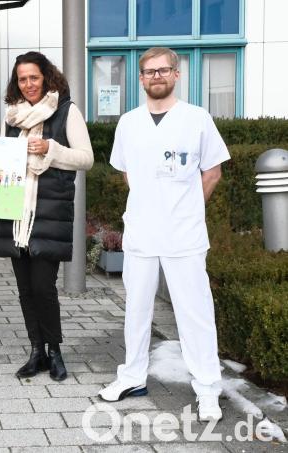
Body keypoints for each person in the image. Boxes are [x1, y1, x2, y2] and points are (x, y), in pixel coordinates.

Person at [98, 47, 228, 422]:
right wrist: (150, 204)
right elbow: (127, 173)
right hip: (140, 231)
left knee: (195, 312)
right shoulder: (128, 122)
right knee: (136, 309)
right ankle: (132, 376)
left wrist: (185, 206)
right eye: (149, 72)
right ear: (140, 79)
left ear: (176, 74)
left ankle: (207, 389)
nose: (156, 76)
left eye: (163, 70)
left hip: (184, 233)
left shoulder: (197, 119)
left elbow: (213, 171)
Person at [0, 52, 94, 381]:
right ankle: (36, 351)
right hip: (15, 213)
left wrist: (51, 149)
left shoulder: (67, 111)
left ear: (46, 77)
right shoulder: (12, 116)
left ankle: (55, 351)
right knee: (24, 289)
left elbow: (86, 159)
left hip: (48, 213)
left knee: (43, 287)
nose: (28, 84)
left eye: (33, 77)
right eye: (22, 79)